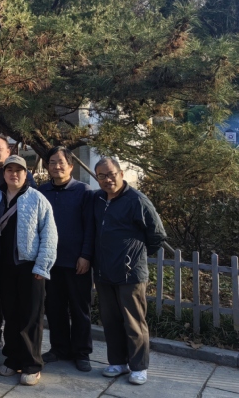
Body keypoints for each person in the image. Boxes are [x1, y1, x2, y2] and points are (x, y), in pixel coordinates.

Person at [93, 157, 166, 386]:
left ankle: (139, 366)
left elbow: (157, 235)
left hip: (130, 272)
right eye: (102, 176)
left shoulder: (137, 200)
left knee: (134, 322)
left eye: (111, 174)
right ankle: (117, 362)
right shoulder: (98, 199)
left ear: (121, 173)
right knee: (110, 320)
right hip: (104, 270)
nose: (107, 179)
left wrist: (135, 255)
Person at [0, 155, 57, 387]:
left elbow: (49, 235)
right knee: (10, 314)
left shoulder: (37, 198)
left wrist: (42, 266)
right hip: (4, 266)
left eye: (19, 170)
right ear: (4, 173)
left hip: (30, 266)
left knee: (31, 317)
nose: (14, 174)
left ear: (26, 173)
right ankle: (13, 357)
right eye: (10, 170)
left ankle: (32, 364)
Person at [39, 146, 95, 372]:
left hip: (77, 262)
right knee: (54, 308)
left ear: (71, 166)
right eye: (52, 162)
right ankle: (59, 348)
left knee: (80, 309)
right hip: (51, 262)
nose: (56, 166)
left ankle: (82, 352)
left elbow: (90, 227)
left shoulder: (84, 191)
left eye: (61, 162)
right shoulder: (42, 191)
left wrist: (86, 255)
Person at [0, 133, 36, 347]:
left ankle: (18, 346)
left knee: (15, 303)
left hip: (20, 252)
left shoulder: (27, 181)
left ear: (8, 150)